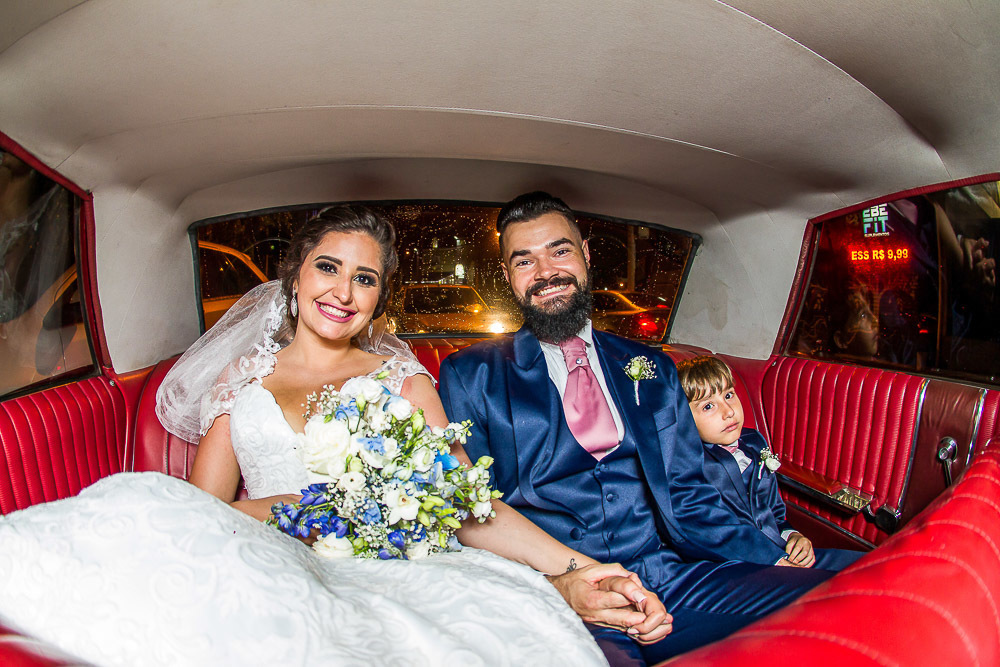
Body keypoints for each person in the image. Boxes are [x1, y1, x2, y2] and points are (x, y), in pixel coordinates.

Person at [0, 204, 664, 666]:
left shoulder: (403, 382)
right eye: (328, 268)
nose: (343, 291)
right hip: (268, 562)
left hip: (398, 572)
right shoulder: (239, 381)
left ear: (379, 297)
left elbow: (468, 504)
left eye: (364, 278)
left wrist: (576, 568)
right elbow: (199, 515)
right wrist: (318, 506)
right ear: (295, 275)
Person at [438, 191, 856, 664]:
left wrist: (770, 554)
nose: (546, 272)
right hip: (560, 594)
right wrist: (557, 584)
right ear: (507, 276)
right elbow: (473, 512)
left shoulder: (647, 365)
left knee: (851, 596)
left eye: (559, 251)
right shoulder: (470, 375)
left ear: (586, 254)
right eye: (524, 261)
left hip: (672, 574)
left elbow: (687, 491)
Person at [675, 355, 863, 571]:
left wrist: (792, 536)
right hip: (735, 565)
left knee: (868, 566)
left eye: (729, 395)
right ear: (684, 419)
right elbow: (708, 530)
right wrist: (774, 560)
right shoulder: (688, 464)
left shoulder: (754, 442)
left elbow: (774, 510)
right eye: (708, 406)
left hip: (779, 547)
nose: (729, 411)